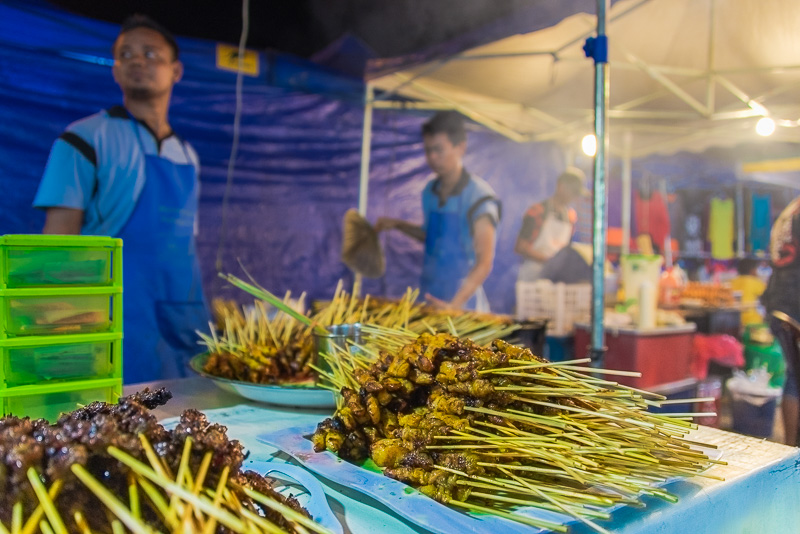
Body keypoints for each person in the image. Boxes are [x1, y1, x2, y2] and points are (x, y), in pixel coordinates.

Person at [33, 15, 208, 384]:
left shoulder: (187, 155)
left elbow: (185, 243)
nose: (137, 61)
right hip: (114, 318)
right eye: (125, 54)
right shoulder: (83, 139)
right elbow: (58, 239)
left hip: (183, 322)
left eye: (150, 53)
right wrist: (59, 327)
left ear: (175, 70)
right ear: (115, 70)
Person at [375, 111, 501, 311]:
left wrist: (455, 305)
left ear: (460, 147)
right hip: (431, 296)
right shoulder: (430, 192)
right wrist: (397, 224)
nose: (432, 157)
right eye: (427, 151)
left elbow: (484, 262)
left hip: (463, 306)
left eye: (438, 150)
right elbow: (432, 237)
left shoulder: (479, 197)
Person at [761, 196, 800, 445]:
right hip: (795, 301)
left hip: (779, 298)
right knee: (794, 376)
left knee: (793, 375)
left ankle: (791, 445)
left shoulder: (789, 210)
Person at [514, 168, 585, 283]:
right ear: (561, 187)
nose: (574, 197)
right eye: (573, 192)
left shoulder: (571, 217)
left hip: (557, 278)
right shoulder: (537, 211)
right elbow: (520, 246)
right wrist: (550, 261)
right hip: (533, 276)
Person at [730, 258, 766, 327]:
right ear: (752, 270)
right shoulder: (756, 282)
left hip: (734, 320)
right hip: (751, 321)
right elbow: (766, 297)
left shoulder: (732, 281)